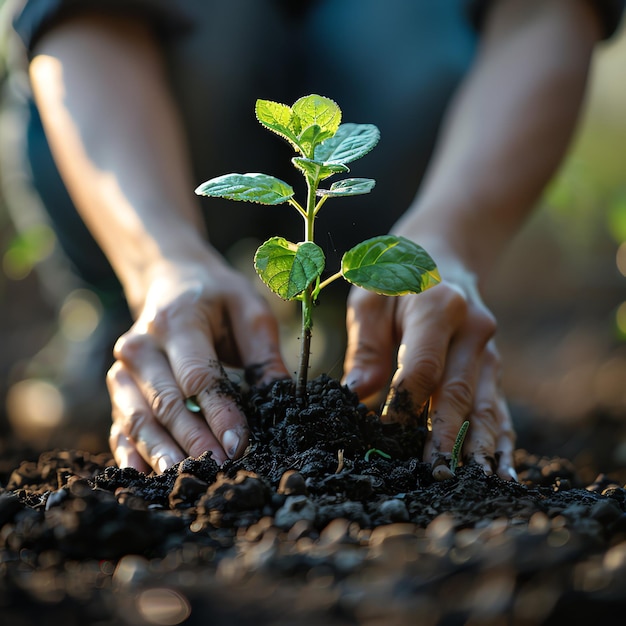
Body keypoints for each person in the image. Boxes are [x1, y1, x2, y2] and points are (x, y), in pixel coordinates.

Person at [2, 0, 623, 479]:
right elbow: (71, 14)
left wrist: (451, 238)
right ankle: (138, 314)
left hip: (391, 79)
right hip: (178, 93)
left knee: (422, 50)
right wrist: (159, 259)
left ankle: (363, 337)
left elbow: (544, 11)